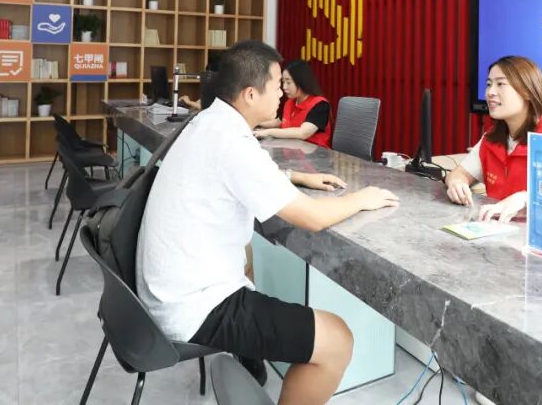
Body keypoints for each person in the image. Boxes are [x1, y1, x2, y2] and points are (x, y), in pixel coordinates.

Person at [136, 40, 399, 405]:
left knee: (248, 259)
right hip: (192, 307)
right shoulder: (233, 142)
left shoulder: (209, 123)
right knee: (337, 340)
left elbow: (239, 174)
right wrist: (361, 198)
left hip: (167, 290)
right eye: (276, 84)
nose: (281, 92)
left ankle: (252, 357)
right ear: (249, 94)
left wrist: (295, 177)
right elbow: (313, 217)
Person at [443, 55, 542, 223]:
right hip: (493, 230)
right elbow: (459, 174)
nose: (490, 92)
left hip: (537, 235)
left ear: (527, 91)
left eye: (500, 84)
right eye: (489, 84)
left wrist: (526, 198)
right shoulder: (490, 138)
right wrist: (456, 183)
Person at [253, 60, 333, 147]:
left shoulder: (320, 105)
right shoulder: (290, 103)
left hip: (315, 153)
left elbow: (303, 133)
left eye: (288, 82)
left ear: (301, 82)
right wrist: (255, 122)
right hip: (291, 150)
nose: (284, 87)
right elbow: (279, 122)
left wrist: (268, 132)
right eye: (283, 82)